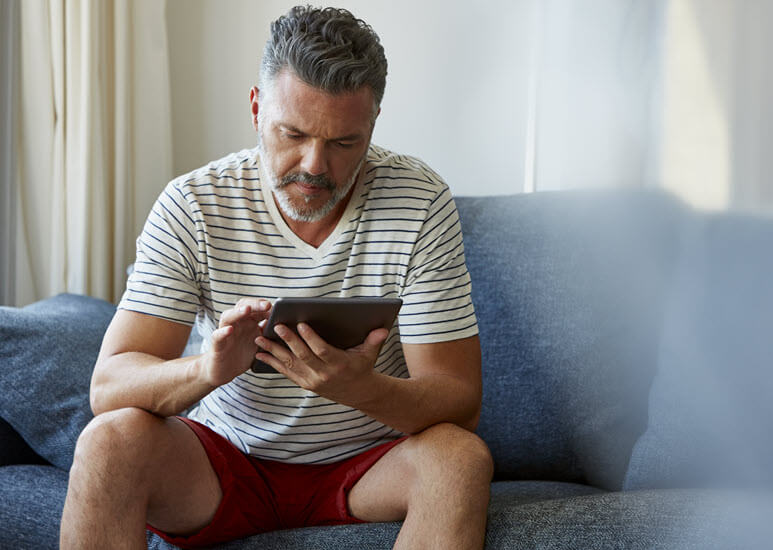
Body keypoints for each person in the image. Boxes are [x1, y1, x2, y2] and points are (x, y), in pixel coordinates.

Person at [60, 5, 492, 549]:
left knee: (459, 460)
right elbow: (110, 385)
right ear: (256, 107)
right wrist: (208, 369)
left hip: (367, 470)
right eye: (293, 133)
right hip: (223, 467)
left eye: (343, 143)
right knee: (108, 442)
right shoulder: (194, 204)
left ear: (373, 124)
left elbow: (460, 400)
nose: (315, 166)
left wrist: (362, 390)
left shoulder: (419, 202)